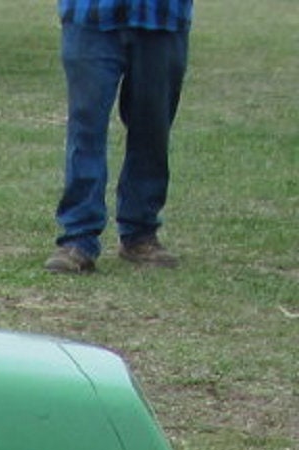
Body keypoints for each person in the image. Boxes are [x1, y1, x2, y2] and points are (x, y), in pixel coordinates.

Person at [46, 0, 194, 274]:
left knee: (153, 130)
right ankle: (78, 238)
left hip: (162, 17)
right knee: (86, 129)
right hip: (89, 15)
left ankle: (140, 233)